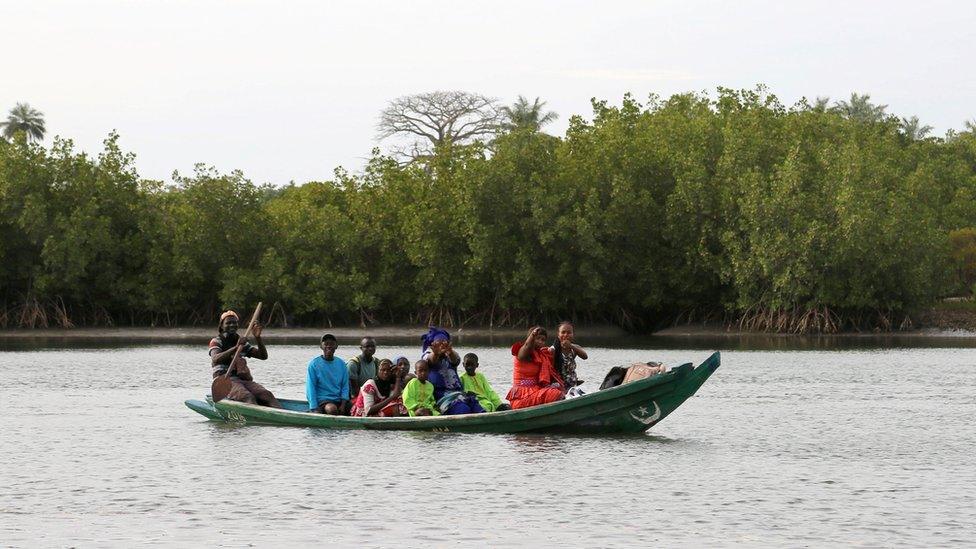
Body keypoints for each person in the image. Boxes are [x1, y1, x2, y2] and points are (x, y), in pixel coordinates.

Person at [209, 310, 282, 408]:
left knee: (267, 395)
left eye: (234, 323)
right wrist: (236, 348)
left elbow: (263, 356)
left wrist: (258, 338)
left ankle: (282, 416)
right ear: (222, 326)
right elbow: (215, 359)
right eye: (228, 323)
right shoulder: (216, 341)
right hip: (225, 380)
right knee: (247, 397)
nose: (232, 325)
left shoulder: (241, 341)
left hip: (242, 380)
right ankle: (257, 418)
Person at [421, 327, 484, 415]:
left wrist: (450, 352)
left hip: (458, 393)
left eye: (444, 341)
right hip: (442, 397)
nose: (442, 344)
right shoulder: (427, 355)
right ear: (433, 343)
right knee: (463, 409)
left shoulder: (451, 354)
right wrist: (436, 353)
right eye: (439, 342)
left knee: (478, 408)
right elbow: (431, 360)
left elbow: (455, 360)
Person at [507, 326, 565, 409]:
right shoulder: (521, 352)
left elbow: (555, 349)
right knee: (555, 394)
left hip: (535, 391)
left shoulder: (541, 354)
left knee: (560, 388)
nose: (540, 342)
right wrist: (533, 335)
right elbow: (527, 346)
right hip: (521, 398)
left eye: (543, 340)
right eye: (538, 338)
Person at [306, 333, 350, 415]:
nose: (329, 346)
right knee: (332, 409)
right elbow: (310, 387)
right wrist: (314, 407)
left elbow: (345, 386)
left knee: (356, 408)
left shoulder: (341, 364)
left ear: (336, 346)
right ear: (321, 346)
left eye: (332, 344)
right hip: (323, 401)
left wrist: (343, 405)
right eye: (326, 344)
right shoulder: (314, 364)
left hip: (339, 400)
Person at [551, 321, 589, 397]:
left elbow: (585, 356)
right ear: (558, 335)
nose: (566, 335)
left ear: (573, 335)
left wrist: (571, 346)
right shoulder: (553, 350)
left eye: (569, 333)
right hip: (558, 386)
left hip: (572, 384)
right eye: (563, 332)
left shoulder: (574, 348)